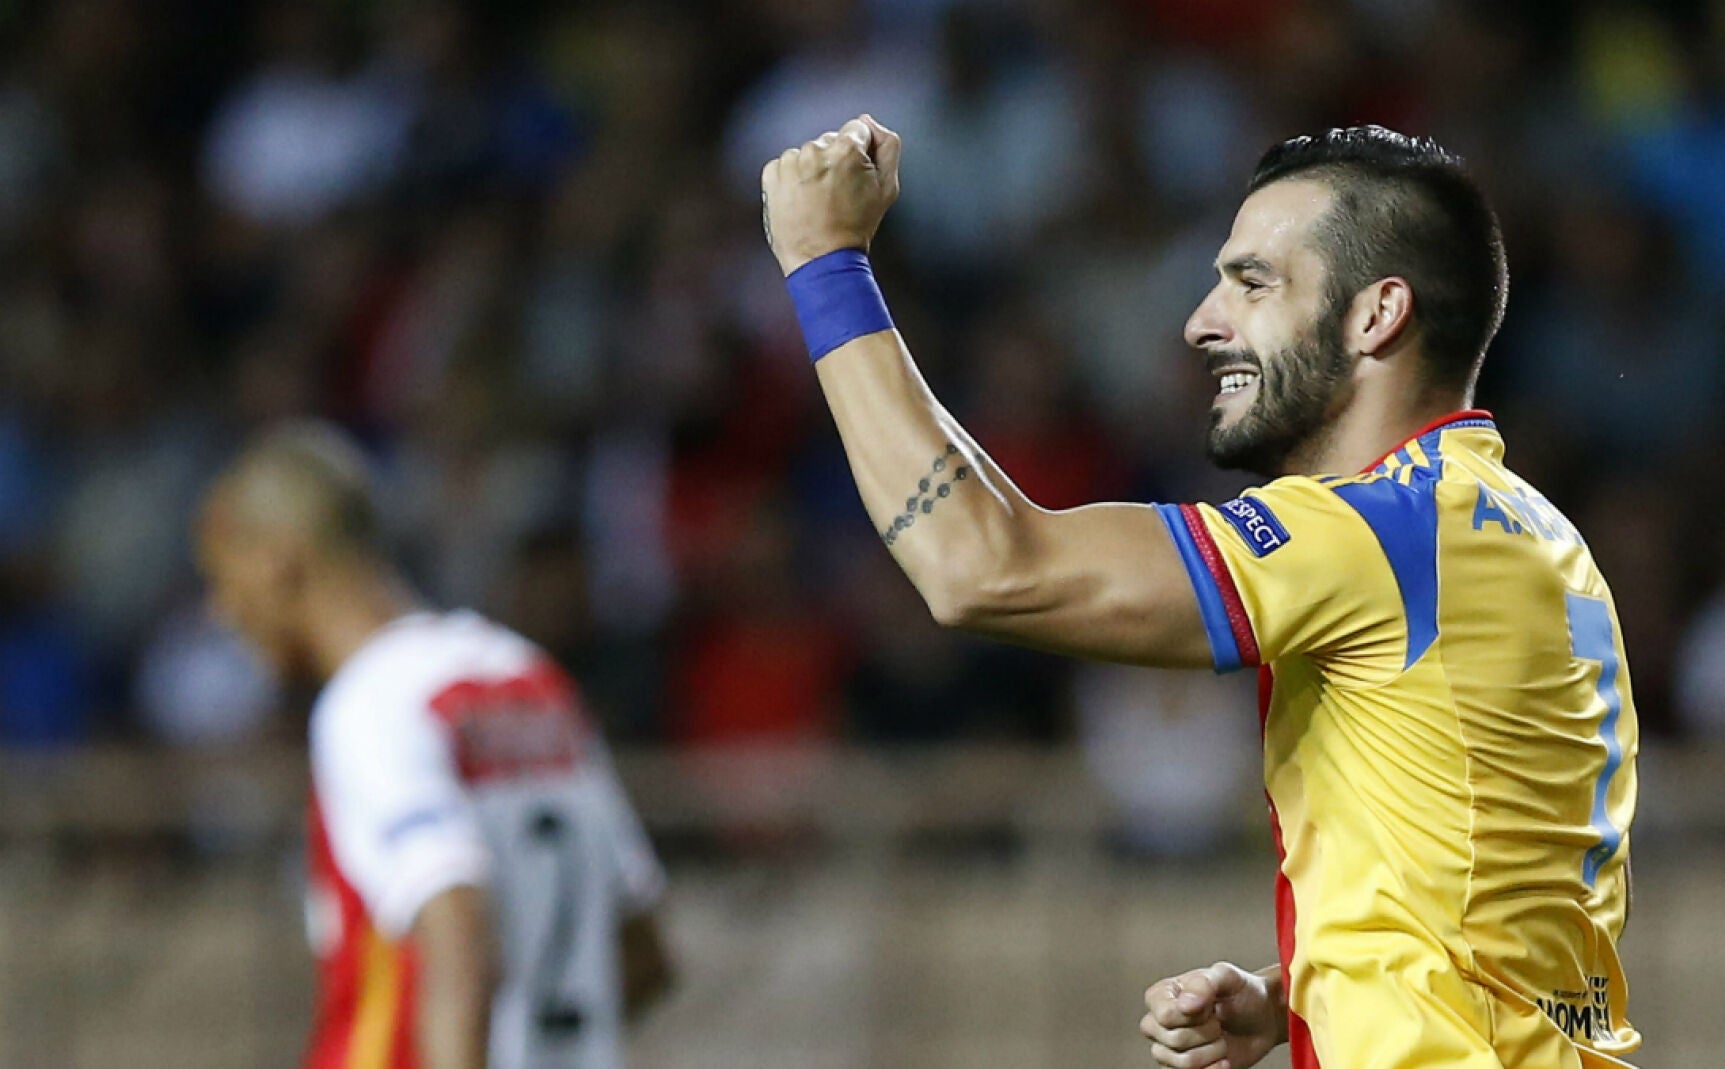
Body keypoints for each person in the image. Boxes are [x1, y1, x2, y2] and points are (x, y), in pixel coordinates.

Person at [760, 118, 1641, 1068]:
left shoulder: (1376, 530)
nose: (1202, 321)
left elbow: (982, 564)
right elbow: (1511, 896)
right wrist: (1302, 989)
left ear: (1375, 314)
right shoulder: (1540, 538)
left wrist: (825, 262)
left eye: (1254, 282)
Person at [194, 424, 671, 1069]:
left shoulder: (371, 704)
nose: (223, 610)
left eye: (223, 576)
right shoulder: (526, 676)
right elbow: (641, 953)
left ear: (278, 558)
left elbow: (456, 938)